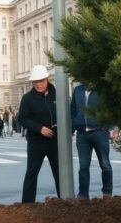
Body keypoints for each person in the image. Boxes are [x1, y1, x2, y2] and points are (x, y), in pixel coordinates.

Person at [18, 65, 60, 203]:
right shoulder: (27, 98)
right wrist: (39, 129)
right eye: (35, 81)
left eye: (41, 81)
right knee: (31, 173)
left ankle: (65, 200)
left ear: (47, 79)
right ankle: (27, 205)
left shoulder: (58, 95)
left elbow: (66, 114)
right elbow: (23, 119)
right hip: (36, 142)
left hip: (55, 141)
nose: (38, 84)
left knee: (60, 173)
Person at [70, 83, 113, 199]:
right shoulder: (77, 90)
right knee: (83, 166)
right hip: (82, 134)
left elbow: (110, 109)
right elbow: (72, 109)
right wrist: (72, 126)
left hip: (100, 132)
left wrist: (110, 128)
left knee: (105, 164)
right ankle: (83, 194)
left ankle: (107, 192)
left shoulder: (102, 89)